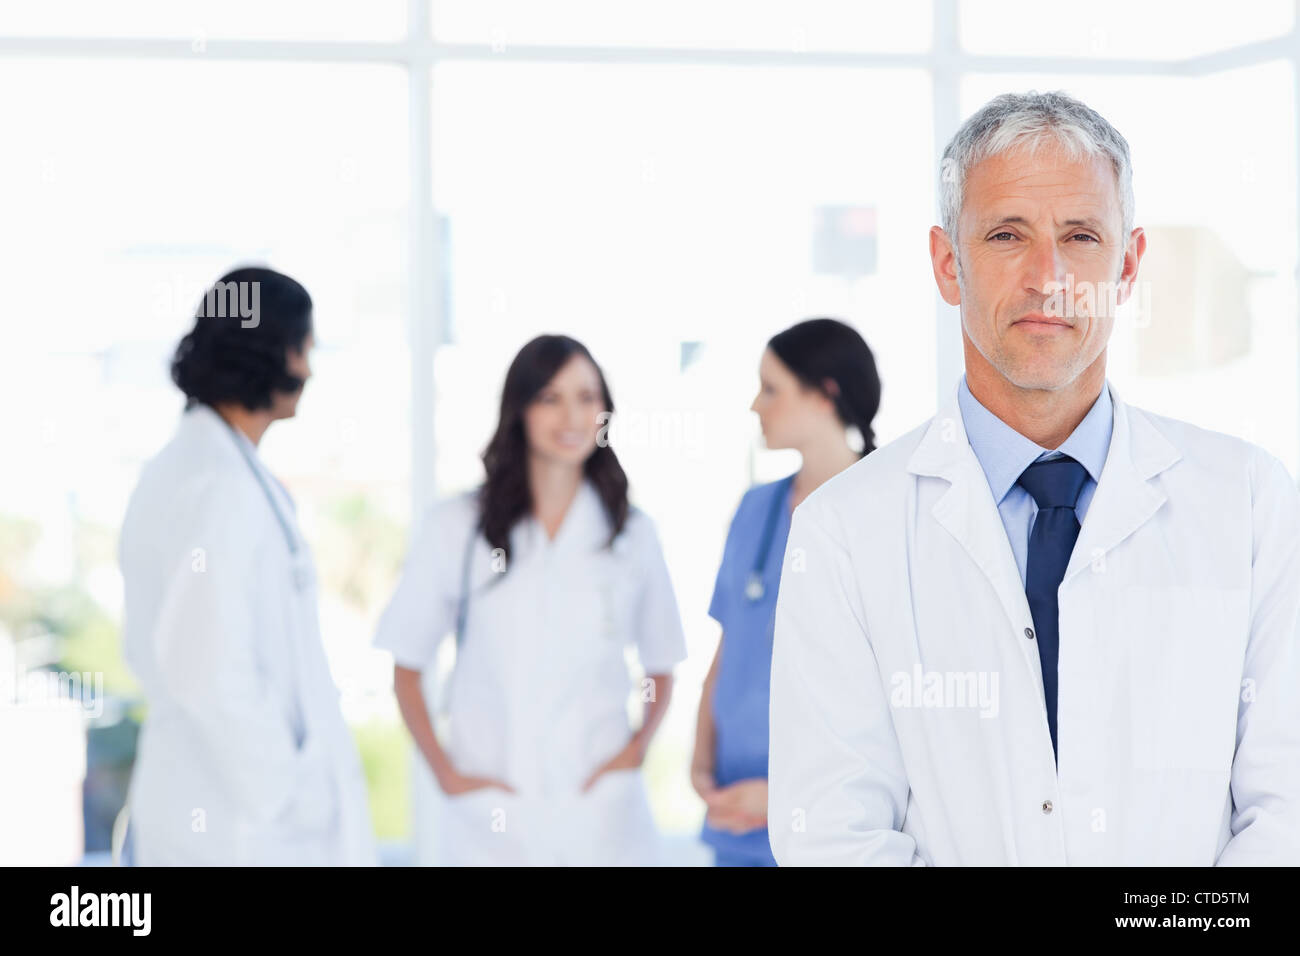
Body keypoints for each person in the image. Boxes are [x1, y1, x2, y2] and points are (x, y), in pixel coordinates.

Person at [769, 91, 1300, 865]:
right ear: (949, 264)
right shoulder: (844, 531)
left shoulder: (1249, 501)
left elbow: (1285, 814)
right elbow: (834, 837)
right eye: (1006, 234)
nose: (1048, 275)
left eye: (1081, 235)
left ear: (1126, 266)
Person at [375, 334, 687, 866]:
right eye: (550, 397)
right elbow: (407, 665)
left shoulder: (632, 533)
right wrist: (447, 773)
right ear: (519, 409)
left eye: (587, 397)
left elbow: (661, 666)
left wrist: (635, 751)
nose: (572, 415)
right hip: (492, 818)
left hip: (603, 819)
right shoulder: (458, 525)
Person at [120, 267, 376, 866]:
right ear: (272, 352)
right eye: (304, 348)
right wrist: (285, 790)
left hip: (224, 813)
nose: (309, 370)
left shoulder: (203, 469)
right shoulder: (217, 486)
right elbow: (205, 668)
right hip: (238, 826)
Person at [691, 318, 880, 866]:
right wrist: (700, 764)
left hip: (833, 827)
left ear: (825, 395)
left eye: (771, 389)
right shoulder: (757, 509)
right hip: (734, 814)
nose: (756, 405)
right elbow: (729, 649)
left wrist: (786, 799)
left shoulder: (883, 513)